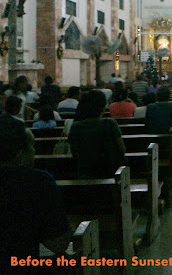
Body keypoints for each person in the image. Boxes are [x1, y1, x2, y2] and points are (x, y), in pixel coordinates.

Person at [0, 117, 71, 273]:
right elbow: (58, 243)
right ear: (19, 154)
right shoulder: (38, 181)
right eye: (31, 146)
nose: (34, 151)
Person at [69, 91, 126, 179]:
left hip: (86, 173)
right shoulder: (110, 123)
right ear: (102, 108)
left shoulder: (75, 126)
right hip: (110, 172)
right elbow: (122, 149)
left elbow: (74, 152)